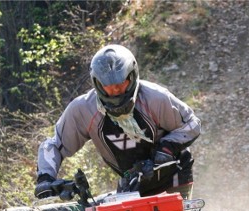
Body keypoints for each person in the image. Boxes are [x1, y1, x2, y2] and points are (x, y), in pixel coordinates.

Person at [35, 44, 201, 200]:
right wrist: (46, 178)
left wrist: (166, 148)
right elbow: (55, 145)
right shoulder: (83, 110)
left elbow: (191, 124)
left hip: (173, 174)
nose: (115, 91)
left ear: (132, 76)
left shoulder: (155, 98)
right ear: (97, 83)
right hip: (132, 182)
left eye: (121, 84)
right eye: (108, 86)